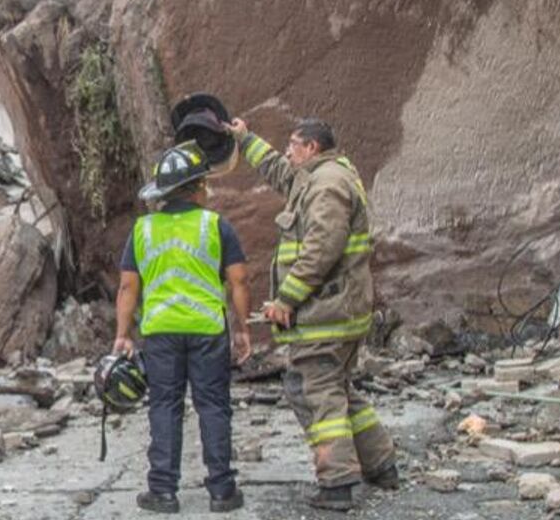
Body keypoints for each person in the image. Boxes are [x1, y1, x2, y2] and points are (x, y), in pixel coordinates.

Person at [228, 116, 397, 511]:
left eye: (293, 145)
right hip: (339, 312)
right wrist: (244, 138)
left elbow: (322, 247)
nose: (287, 152)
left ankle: (338, 483)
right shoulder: (319, 177)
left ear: (312, 149)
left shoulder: (327, 186)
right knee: (338, 389)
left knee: (314, 391)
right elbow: (278, 170)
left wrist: (286, 299)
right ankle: (381, 464)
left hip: (327, 314)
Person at [113, 142, 252, 514]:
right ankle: (222, 491)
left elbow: (129, 286)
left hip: (160, 332)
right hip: (208, 329)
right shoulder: (216, 225)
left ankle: (162, 491)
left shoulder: (143, 230)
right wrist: (242, 330)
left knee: (164, 406)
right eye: (204, 183)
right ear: (196, 188)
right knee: (214, 406)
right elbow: (238, 282)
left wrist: (123, 335)